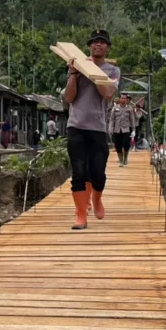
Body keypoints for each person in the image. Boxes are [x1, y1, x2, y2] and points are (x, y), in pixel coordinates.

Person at [64, 28, 119, 230]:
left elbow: (107, 94)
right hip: (76, 126)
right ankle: (80, 215)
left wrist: (93, 73)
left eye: (102, 42)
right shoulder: (77, 68)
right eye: (94, 41)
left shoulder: (113, 71)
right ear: (89, 46)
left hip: (97, 127)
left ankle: (96, 199)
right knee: (78, 171)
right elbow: (69, 98)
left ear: (107, 47)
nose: (98, 44)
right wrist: (73, 74)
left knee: (98, 173)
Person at [109, 93, 139, 168]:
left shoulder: (129, 109)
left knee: (126, 144)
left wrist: (133, 130)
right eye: (122, 98)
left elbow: (132, 120)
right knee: (118, 146)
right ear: (119, 99)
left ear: (126, 99)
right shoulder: (115, 108)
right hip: (117, 130)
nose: (123, 99)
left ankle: (125, 157)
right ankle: (121, 161)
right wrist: (110, 129)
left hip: (126, 129)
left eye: (124, 98)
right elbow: (112, 120)